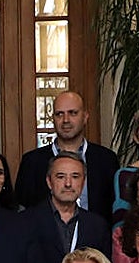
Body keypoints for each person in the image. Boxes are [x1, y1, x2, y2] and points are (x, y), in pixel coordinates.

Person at [26, 151, 112, 263]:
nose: (68, 183)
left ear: (83, 182)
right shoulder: (25, 223)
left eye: (75, 176)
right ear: (49, 182)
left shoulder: (97, 225)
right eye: (60, 177)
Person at [13, 92, 120, 223]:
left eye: (73, 113)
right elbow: (22, 213)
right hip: (44, 241)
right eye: (59, 114)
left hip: (95, 240)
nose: (66, 120)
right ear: (53, 119)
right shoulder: (32, 162)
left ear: (85, 117)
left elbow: (115, 211)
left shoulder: (106, 160)